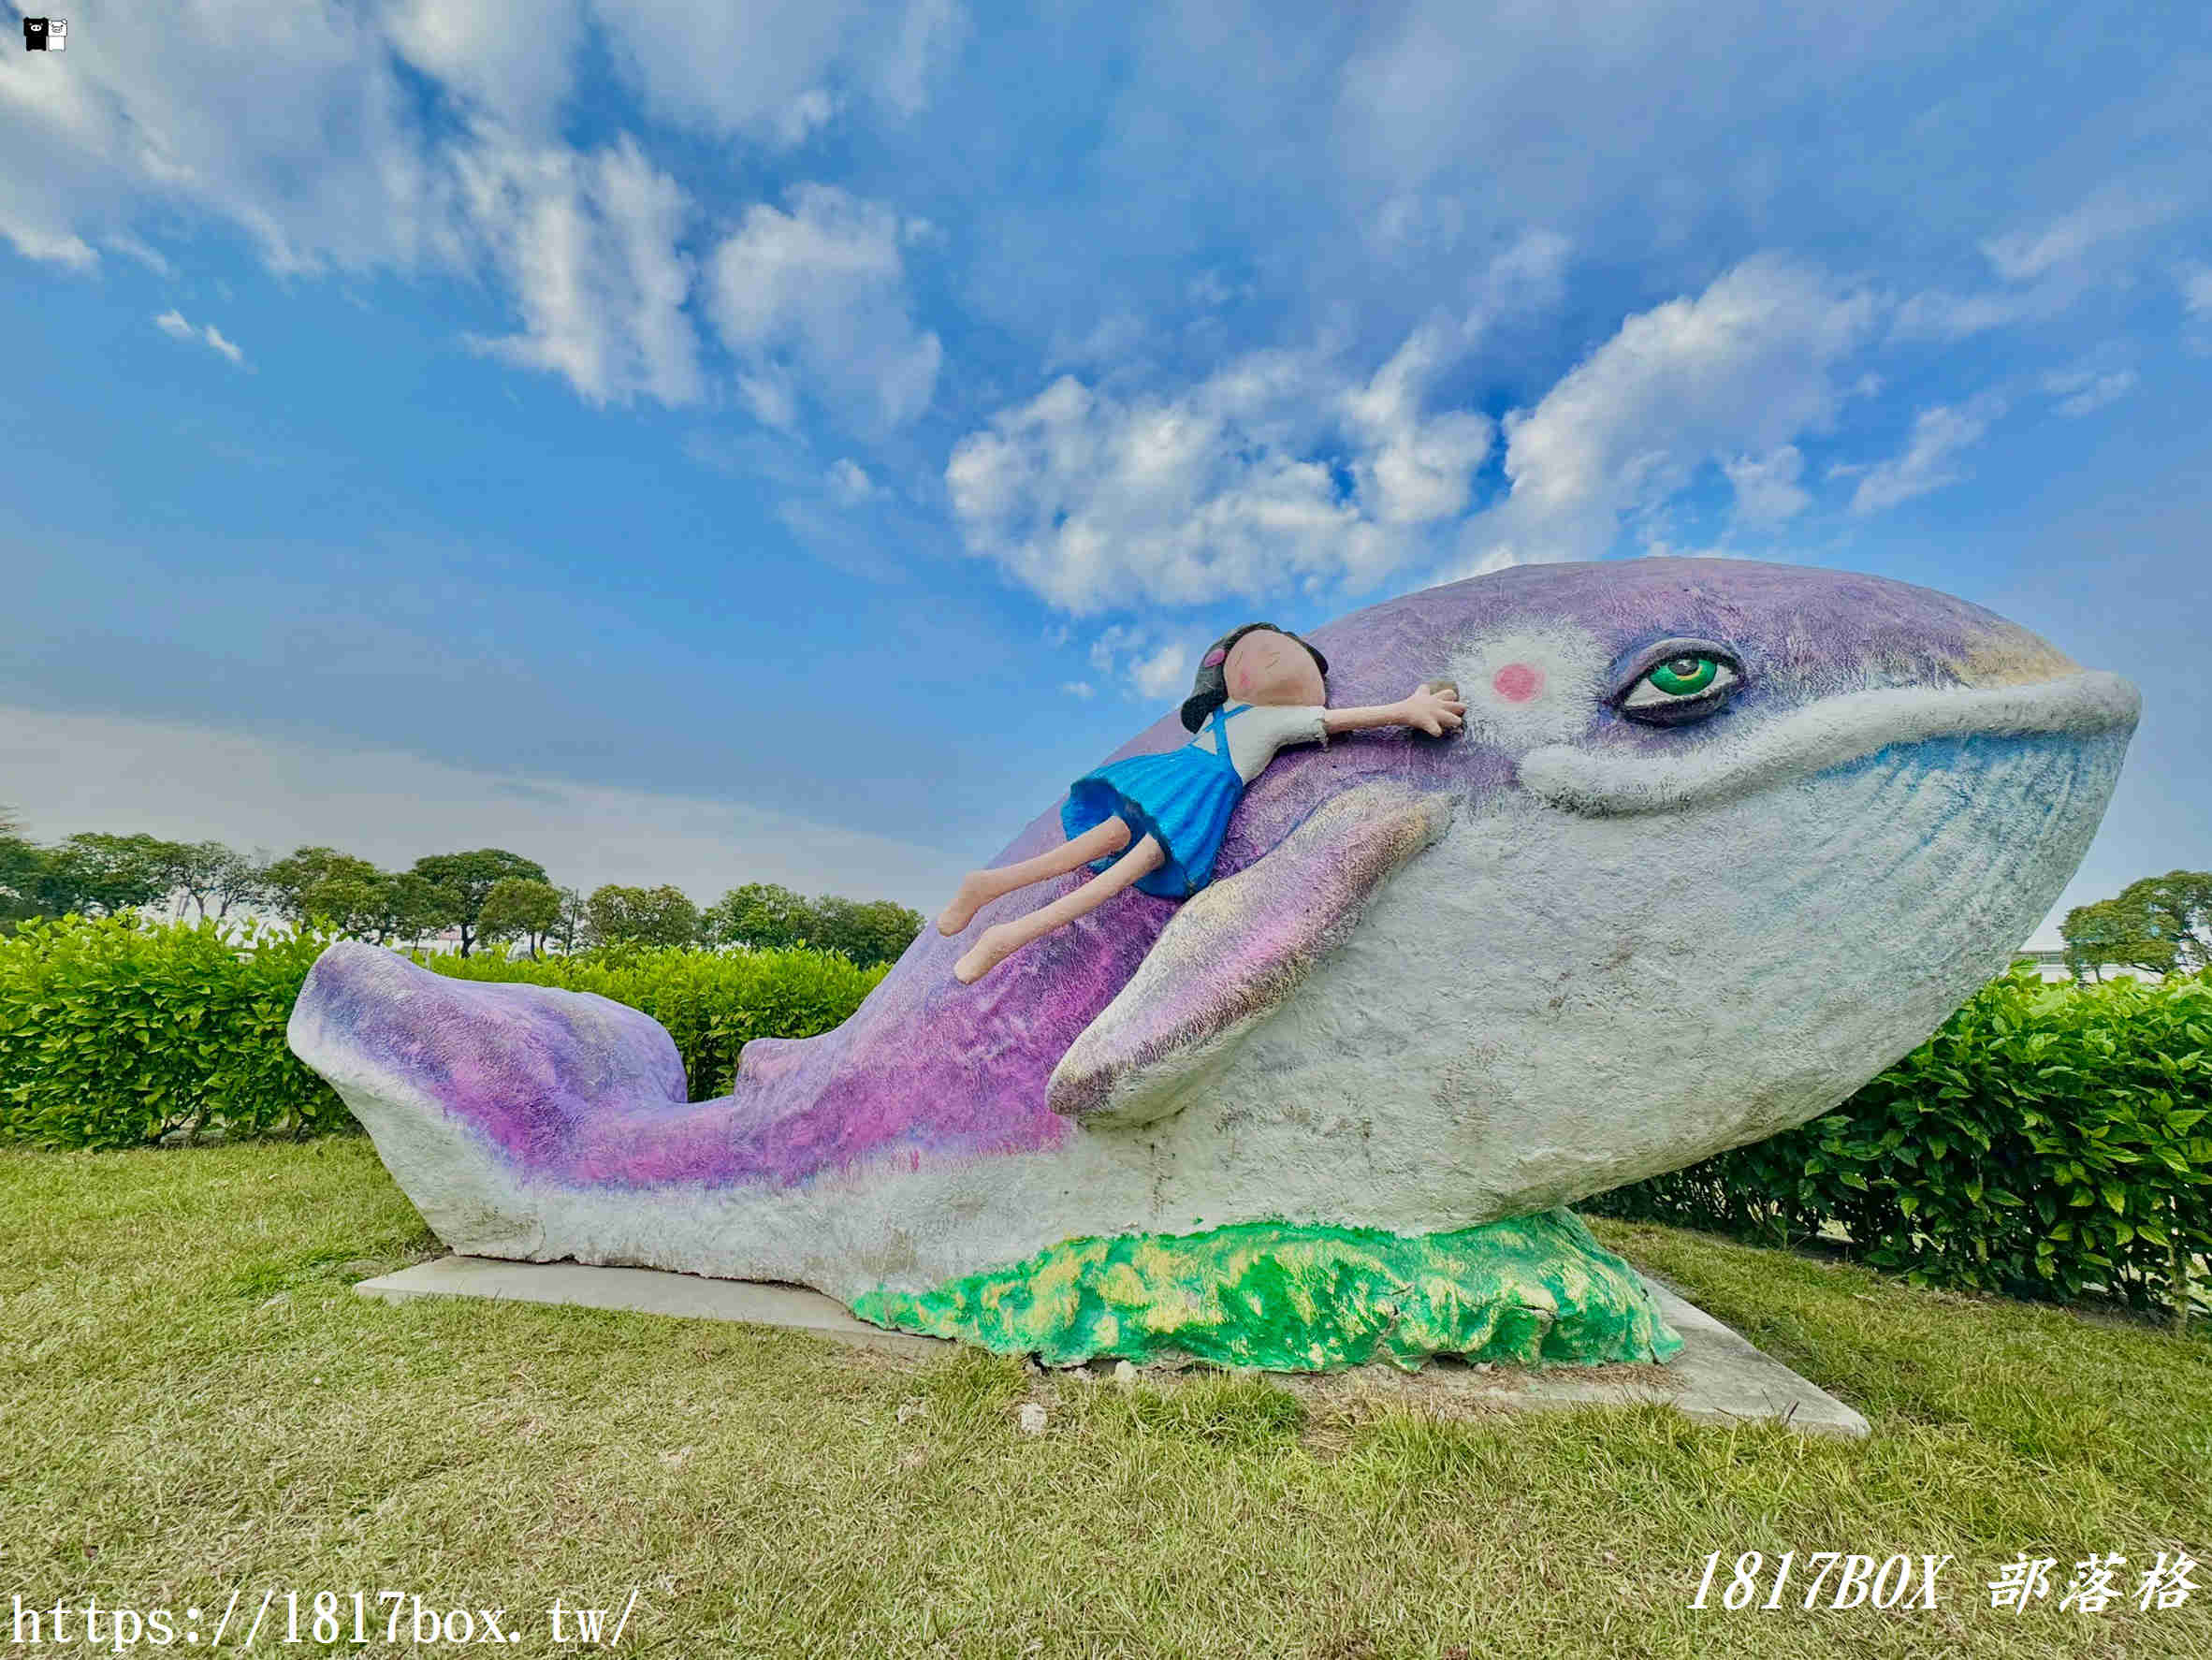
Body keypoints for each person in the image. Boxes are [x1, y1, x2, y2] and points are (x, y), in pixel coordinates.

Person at [937, 621, 1465, 983]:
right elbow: (1336, 720)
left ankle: (996, 907)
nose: (1268, 662)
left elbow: (1337, 720)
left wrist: (1406, 708)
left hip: (1185, 783)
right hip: (1185, 787)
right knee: (1112, 863)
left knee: (1114, 856)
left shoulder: (1267, 717)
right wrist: (1406, 706)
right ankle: (998, 917)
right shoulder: (1236, 708)